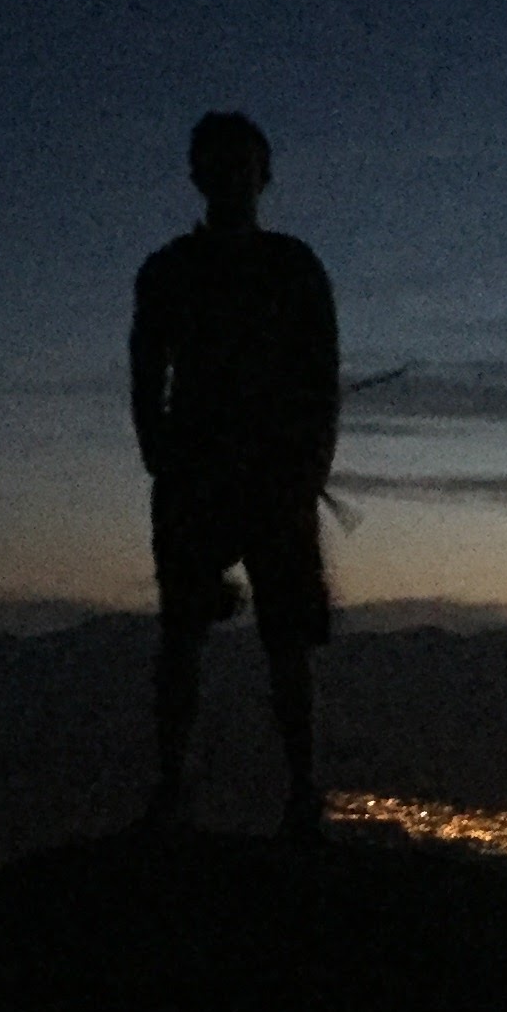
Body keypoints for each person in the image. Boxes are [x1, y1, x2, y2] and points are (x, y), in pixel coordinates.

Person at [131, 112, 340, 837]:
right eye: (219, 165)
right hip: (203, 474)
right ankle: (181, 787)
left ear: (262, 175)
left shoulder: (289, 268)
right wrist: (160, 454)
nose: (231, 178)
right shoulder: (175, 272)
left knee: (280, 642)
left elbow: (322, 380)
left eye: (241, 165)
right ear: (199, 175)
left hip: (267, 477)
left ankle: (299, 791)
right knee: (186, 636)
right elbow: (146, 373)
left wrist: (309, 466)